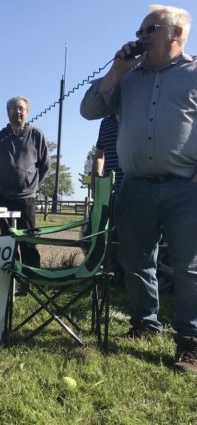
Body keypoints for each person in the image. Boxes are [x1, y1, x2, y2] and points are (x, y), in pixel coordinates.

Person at [81, 5, 197, 374]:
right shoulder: (128, 76)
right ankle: (145, 324)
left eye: (151, 29)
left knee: (189, 268)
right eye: (141, 30)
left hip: (184, 188)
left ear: (176, 35)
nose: (141, 36)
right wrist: (116, 69)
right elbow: (88, 110)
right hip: (134, 187)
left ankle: (190, 343)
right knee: (136, 262)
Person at [0, 96, 49, 268]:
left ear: (27, 112)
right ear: (8, 112)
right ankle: (11, 275)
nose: (17, 111)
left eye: (21, 108)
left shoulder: (36, 135)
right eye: (13, 108)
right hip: (3, 197)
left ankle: (30, 276)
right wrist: (2, 182)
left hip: (26, 198)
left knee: (28, 239)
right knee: (8, 239)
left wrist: (31, 184)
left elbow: (44, 165)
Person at [91, 114, 124, 286]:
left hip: (135, 186)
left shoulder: (137, 114)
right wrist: (96, 181)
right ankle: (110, 277)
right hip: (110, 190)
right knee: (108, 235)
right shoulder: (105, 122)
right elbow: (99, 154)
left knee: (133, 237)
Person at [91, 114, 123, 193]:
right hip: (108, 190)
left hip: (136, 188)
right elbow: (99, 156)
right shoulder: (105, 122)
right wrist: (95, 183)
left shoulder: (138, 118)